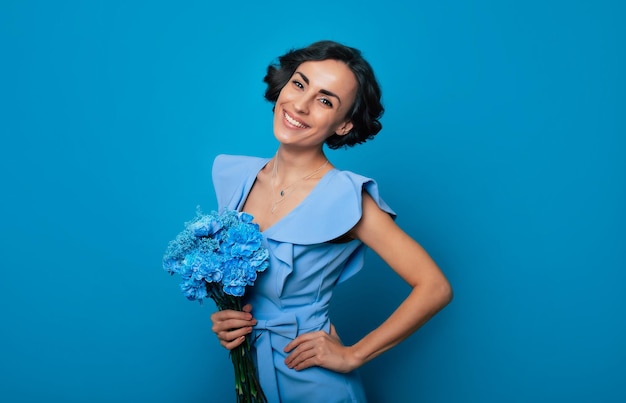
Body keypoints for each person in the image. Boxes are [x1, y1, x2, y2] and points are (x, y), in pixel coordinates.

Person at [210, 40, 452, 402]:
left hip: (314, 383)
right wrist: (227, 318)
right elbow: (240, 286)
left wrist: (353, 354)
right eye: (299, 84)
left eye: (325, 101)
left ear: (343, 125)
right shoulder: (235, 177)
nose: (300, 105)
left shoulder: (347, 197)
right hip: (250, 373)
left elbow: (435, 287)